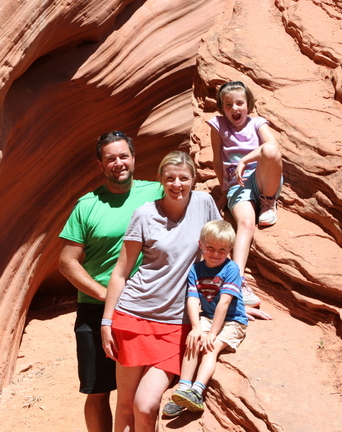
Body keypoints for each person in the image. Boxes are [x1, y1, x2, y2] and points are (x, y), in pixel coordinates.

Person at [101, 151, 222, 432]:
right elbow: (121, 271)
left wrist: (236, 297)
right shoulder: (144, 214)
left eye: (183, 178)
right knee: (125, 404)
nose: (177, 184)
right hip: (133, 317)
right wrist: (107, 321)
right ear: (160, 180)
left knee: (145, 405)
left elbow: (221, 250)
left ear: (193, 179)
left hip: (176, 323)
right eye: (170, 178)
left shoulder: (204, 204)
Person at [59, 131, 163, 432]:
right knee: (97, 389)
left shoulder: (157, 192)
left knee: (142, 392)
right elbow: (66, 262)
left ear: (134, 157)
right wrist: (107, 295)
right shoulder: (87, 205)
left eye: (123, 156)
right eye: (111, 159)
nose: (119, 163)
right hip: (96, 309)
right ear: (100, 164)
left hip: (146, 307)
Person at [207, 80, 283, 308]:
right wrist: (224, 189)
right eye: (228, 105)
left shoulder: (257, 123)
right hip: (237, 186)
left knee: (270, 150)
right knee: (246, 223)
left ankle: (268, 202)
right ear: (222, 108)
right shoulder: (218, 125)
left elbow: (272, 145)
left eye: (240, 103)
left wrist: (244, 160)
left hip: (262, 179)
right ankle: (237, 281)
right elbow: (217, 159)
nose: (235, 108)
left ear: (248, 104)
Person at [162, 220, 247, 418]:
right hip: (208, 316)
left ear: (230, 249)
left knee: (210, 347)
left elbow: (224, 303)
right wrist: (196, 327)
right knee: (194, 341)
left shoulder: (231, 269)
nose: (215, 254)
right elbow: (192, 299)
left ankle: (196, 391)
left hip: (233, 320)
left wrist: (212, 333)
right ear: (201, 244)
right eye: (210, 248)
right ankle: (183, 389)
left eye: (222, 250)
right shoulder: (196, 269)